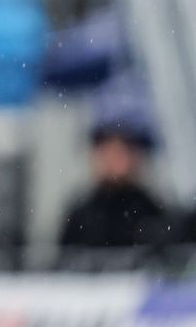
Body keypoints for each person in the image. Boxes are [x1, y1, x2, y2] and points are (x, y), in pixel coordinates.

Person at [57, 108, 171, 269]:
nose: (112, 159)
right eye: (107, 150)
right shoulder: (80, 213)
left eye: (121, 150)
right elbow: (63, 263)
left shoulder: (150, 210)